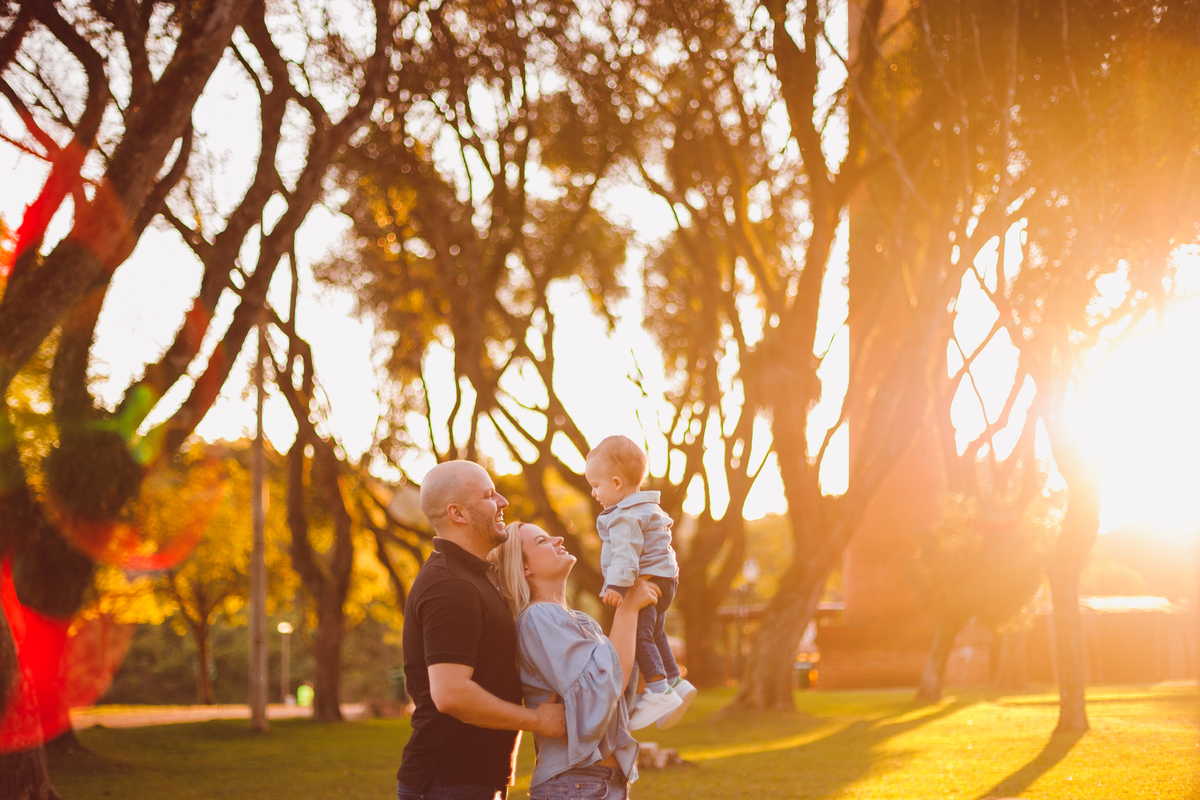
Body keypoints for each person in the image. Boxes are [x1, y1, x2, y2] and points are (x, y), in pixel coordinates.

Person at [397, 461, 567, 800]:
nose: (503, 501)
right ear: (457, 513)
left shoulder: (473, 578)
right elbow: (451, 694)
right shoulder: (450, 586)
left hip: (469, 780)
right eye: (489, 495)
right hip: (449, 781)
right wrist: (537, 720)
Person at [493, 520, 662, 800]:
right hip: (575, 785)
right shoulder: (537, 618)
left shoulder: (579, 621)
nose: (558, 539)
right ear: (525, 568)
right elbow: (605, 688)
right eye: (542, 541)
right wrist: (628, 608)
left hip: (600, 782)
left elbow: (621, 693)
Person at [584, 435, 696, 730]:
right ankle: (675, 680)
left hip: (646, 580)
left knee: (639, 634)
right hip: (665, 579)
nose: (594, 493)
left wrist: (617, 585)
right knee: (656, 631)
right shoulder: (649, 508)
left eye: (596, 485)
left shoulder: (625, 516)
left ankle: (658, 689)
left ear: (617, 483)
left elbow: (626, 553)